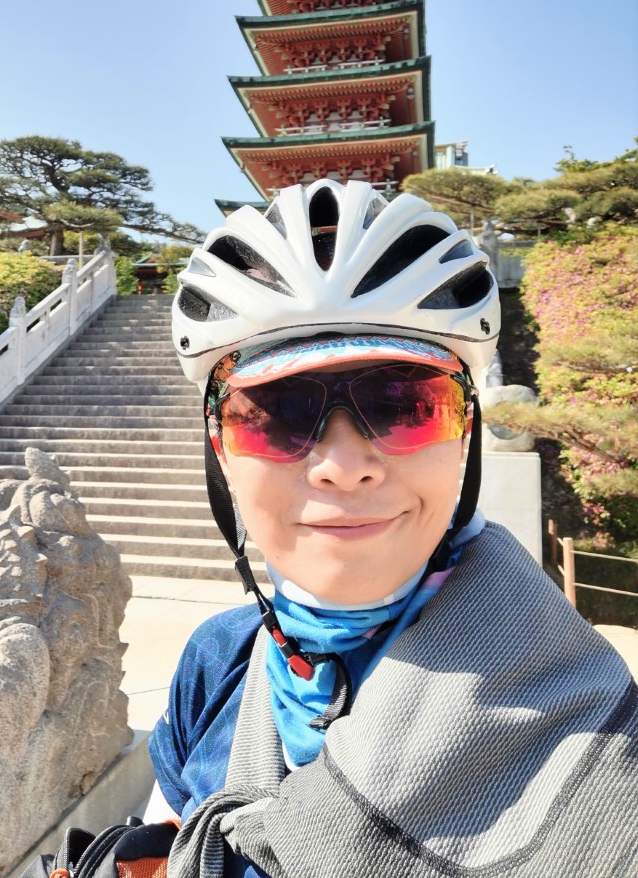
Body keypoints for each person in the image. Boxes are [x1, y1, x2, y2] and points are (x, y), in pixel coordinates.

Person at [144, 178, 636, 877]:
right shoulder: (217, 663)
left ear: (467, 434)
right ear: (219, 450)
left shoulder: (598, 729)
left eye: (405, 404)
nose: (344, 467)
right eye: (277, 411)